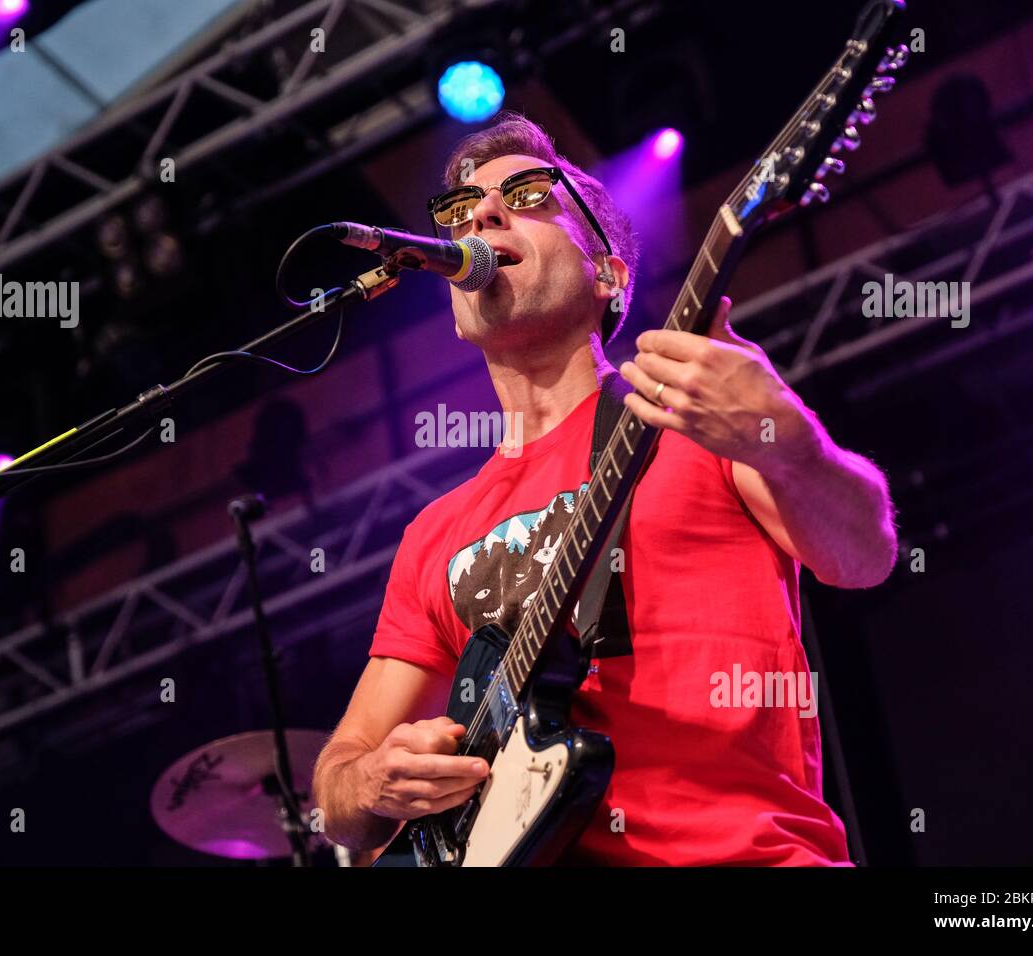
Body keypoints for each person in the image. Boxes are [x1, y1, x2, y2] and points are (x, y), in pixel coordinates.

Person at [312, 112, 897, 865]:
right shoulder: (434, 534)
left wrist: (784, 435)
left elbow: (865, 554)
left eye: (527, 196)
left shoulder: (691, 418)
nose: (483, 214)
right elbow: (339, 787)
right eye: (462, 211)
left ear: (610, 273)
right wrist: (372, 785)